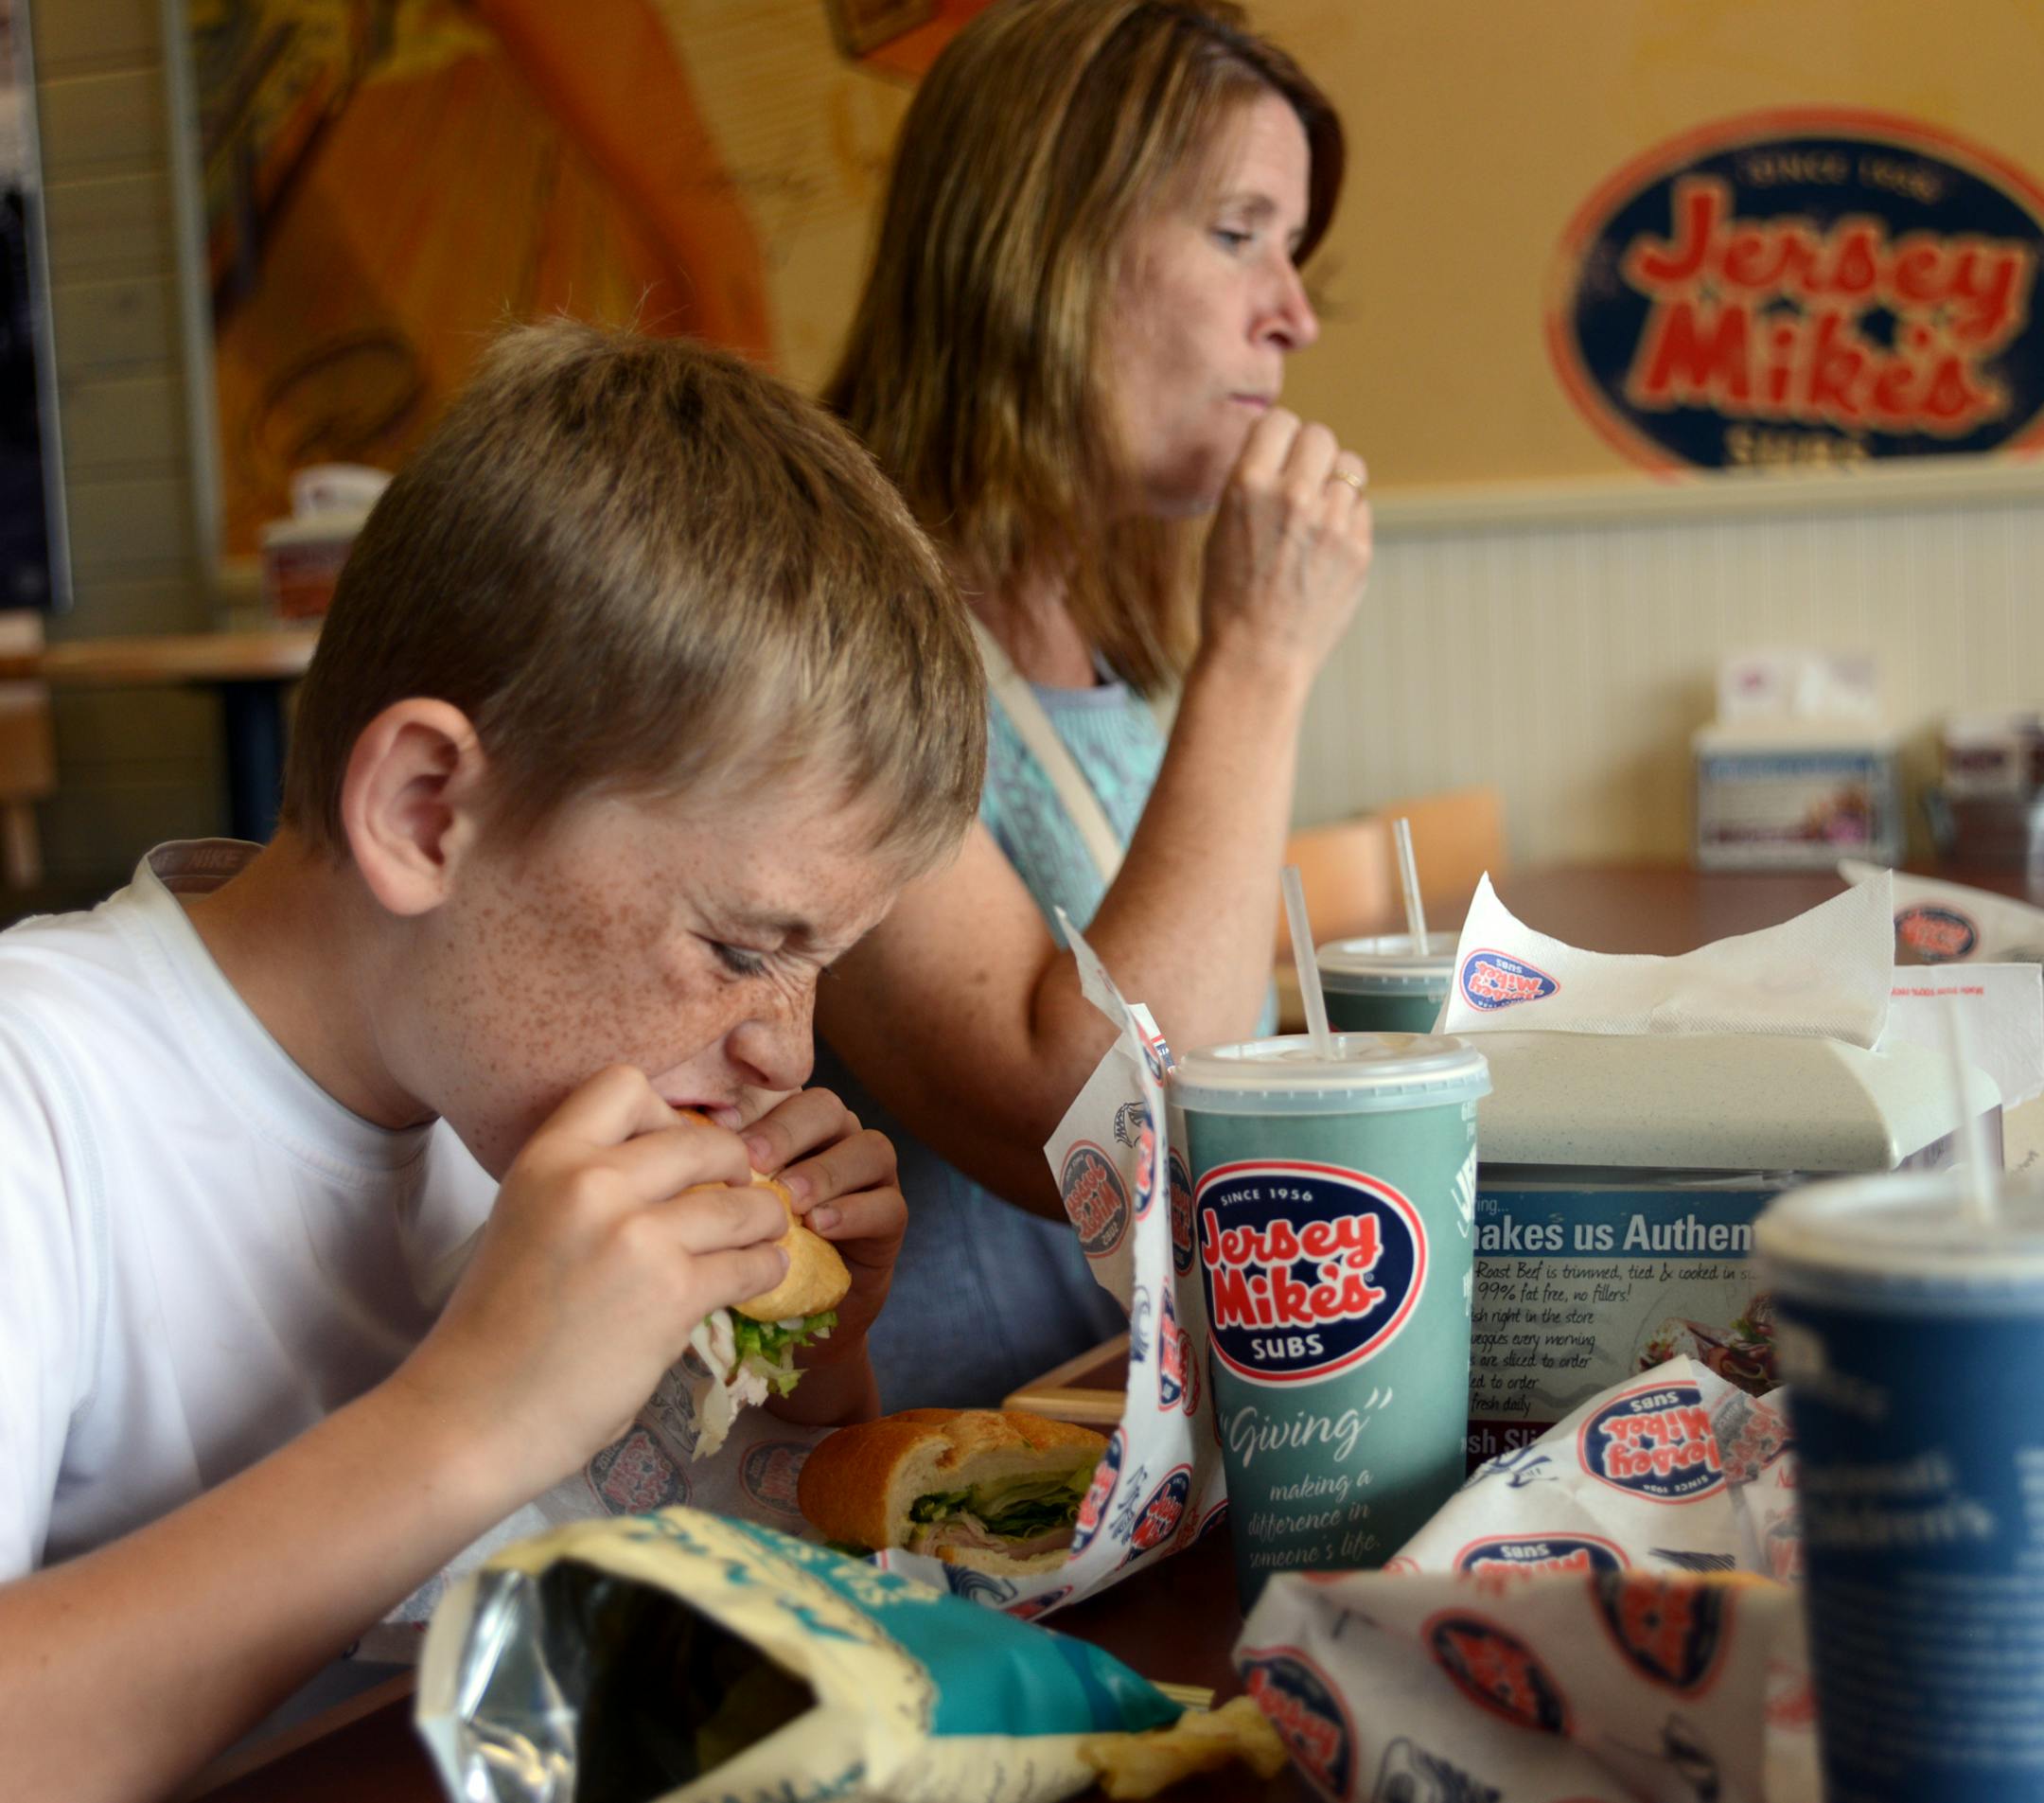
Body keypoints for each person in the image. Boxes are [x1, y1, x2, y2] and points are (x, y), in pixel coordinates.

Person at [0, 321, 985, 1798]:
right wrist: (468, 1421)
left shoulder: (508, 1078)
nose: (783, 1047)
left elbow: (685, 1558)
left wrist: (804, 1378)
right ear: (424, 811)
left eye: (818, 966)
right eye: (734, 949)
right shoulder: (45, 1098)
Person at [815, 0, 1371, 1408]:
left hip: (1131, 1461)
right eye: (1240, 232)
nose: (1294, 312)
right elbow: (1099, 1135)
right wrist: (1262, 655)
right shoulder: (822, 633)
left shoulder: (1112, 649)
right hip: (939, 1508)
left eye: (1293, 250)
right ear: (1043, 249)